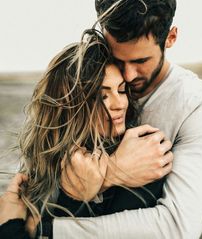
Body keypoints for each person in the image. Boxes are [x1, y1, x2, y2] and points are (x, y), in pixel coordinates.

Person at [53, 0, 202, 238]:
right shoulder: (81, 80)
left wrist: (51, 230)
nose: (128, 75)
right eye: (118, 58)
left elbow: (177, 228)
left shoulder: (198, 104)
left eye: (140, 61)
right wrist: (113, 172)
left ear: (171, 37)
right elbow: (40, 175)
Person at [0, 28, 172, 238]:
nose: (120, 104)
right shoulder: (43, 161)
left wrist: (19, 228)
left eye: (120, 90)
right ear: (70, 105)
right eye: (101, 96)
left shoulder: (143, 155)